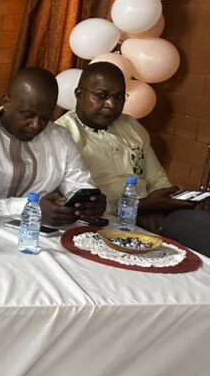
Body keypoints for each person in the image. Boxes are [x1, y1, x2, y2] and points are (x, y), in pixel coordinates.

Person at [58, 61, 209, 255]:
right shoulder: (63, 134)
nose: (111, 104)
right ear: (80, 95)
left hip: (151, 215)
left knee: (203, 225)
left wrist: (164, 203)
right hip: (101, 223)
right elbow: (80, 203)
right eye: (102, 96)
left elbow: (157, 179)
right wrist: (140, 207)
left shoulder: (131, 126)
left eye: (119, 97)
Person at [0, 67, 105, 225]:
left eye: (45, 118)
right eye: (28, 115)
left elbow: (78, 183)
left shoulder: (60, 137)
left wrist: (86, 204)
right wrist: (30, 208)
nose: (36, 125)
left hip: (41, 233)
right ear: (6, 102)